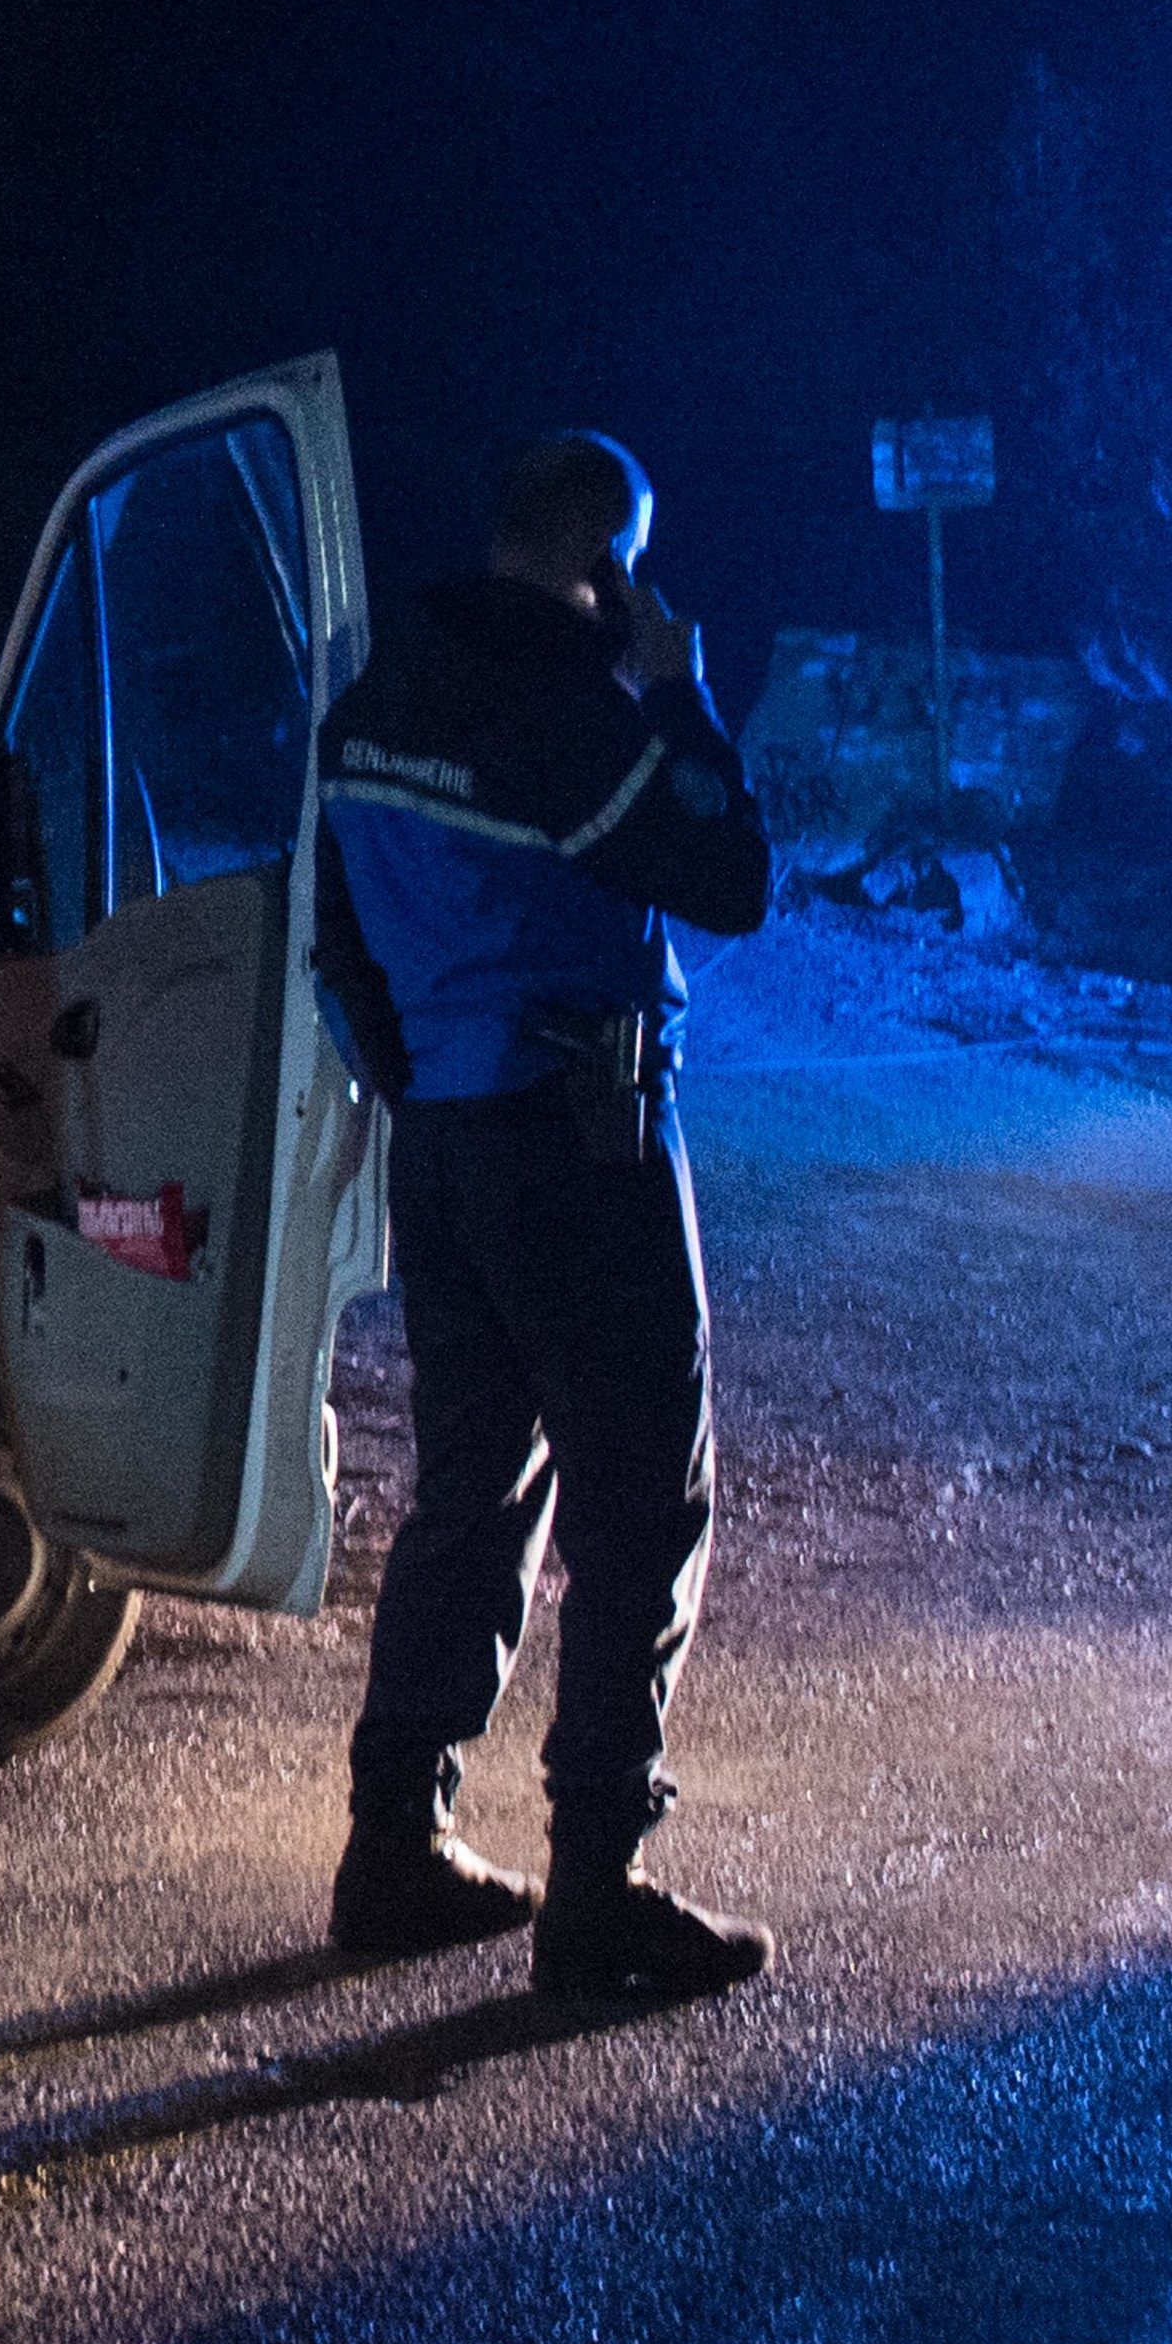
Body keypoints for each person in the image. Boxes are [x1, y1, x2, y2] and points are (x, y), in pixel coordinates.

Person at [308, 430, 778, 1996]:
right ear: (607, 562)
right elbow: (728, 871)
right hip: (581, 1140)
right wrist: (676, 688)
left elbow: (333, 949)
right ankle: (597, 1890)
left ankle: (393, 1849)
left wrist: (425, 1080)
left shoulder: (371, 702)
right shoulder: (576, 718)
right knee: (640, 1501)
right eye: (632, 561)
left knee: (469, 1495)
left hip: (442, 1140)